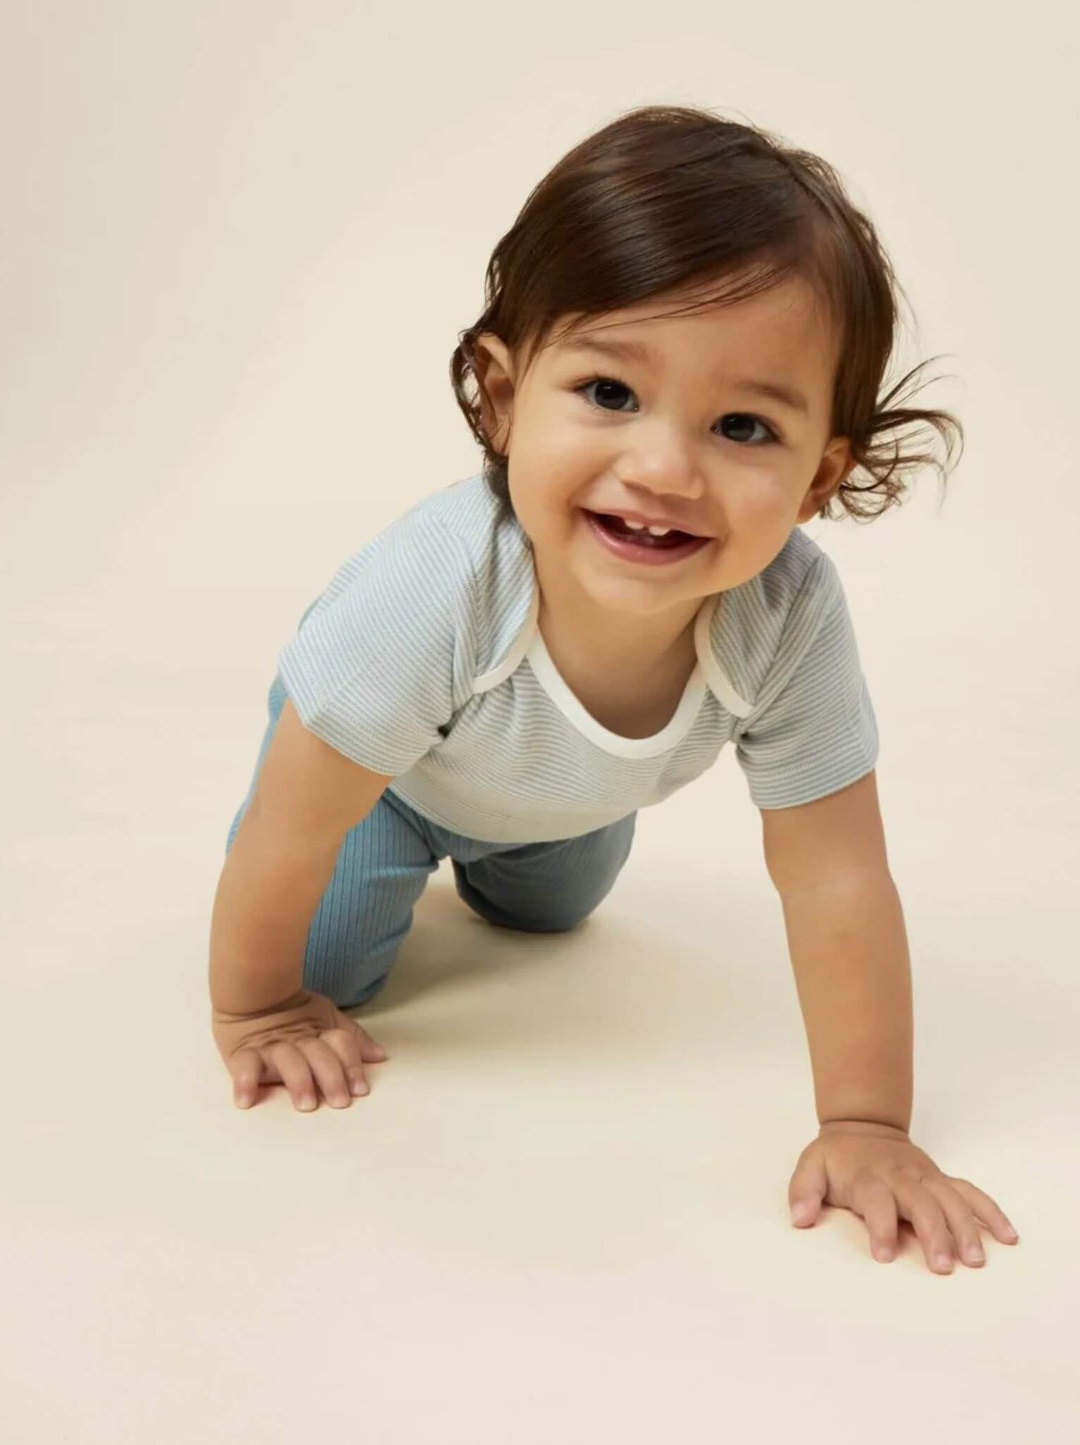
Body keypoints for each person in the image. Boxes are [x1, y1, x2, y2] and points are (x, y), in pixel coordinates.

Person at [207, 103, 1019, 1274]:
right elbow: (299, 815)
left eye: (743, 424)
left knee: (546, 914)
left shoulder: (784, 614)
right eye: (608, 393)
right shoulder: (434, 591)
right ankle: (326, 936)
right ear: (500, 395)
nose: (663, 467)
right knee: (328, 973)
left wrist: (865, 1122)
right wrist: (257, 1005)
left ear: (815, 477)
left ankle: (504, 860)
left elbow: (835, 870)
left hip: (567, 797)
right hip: (372, 774)